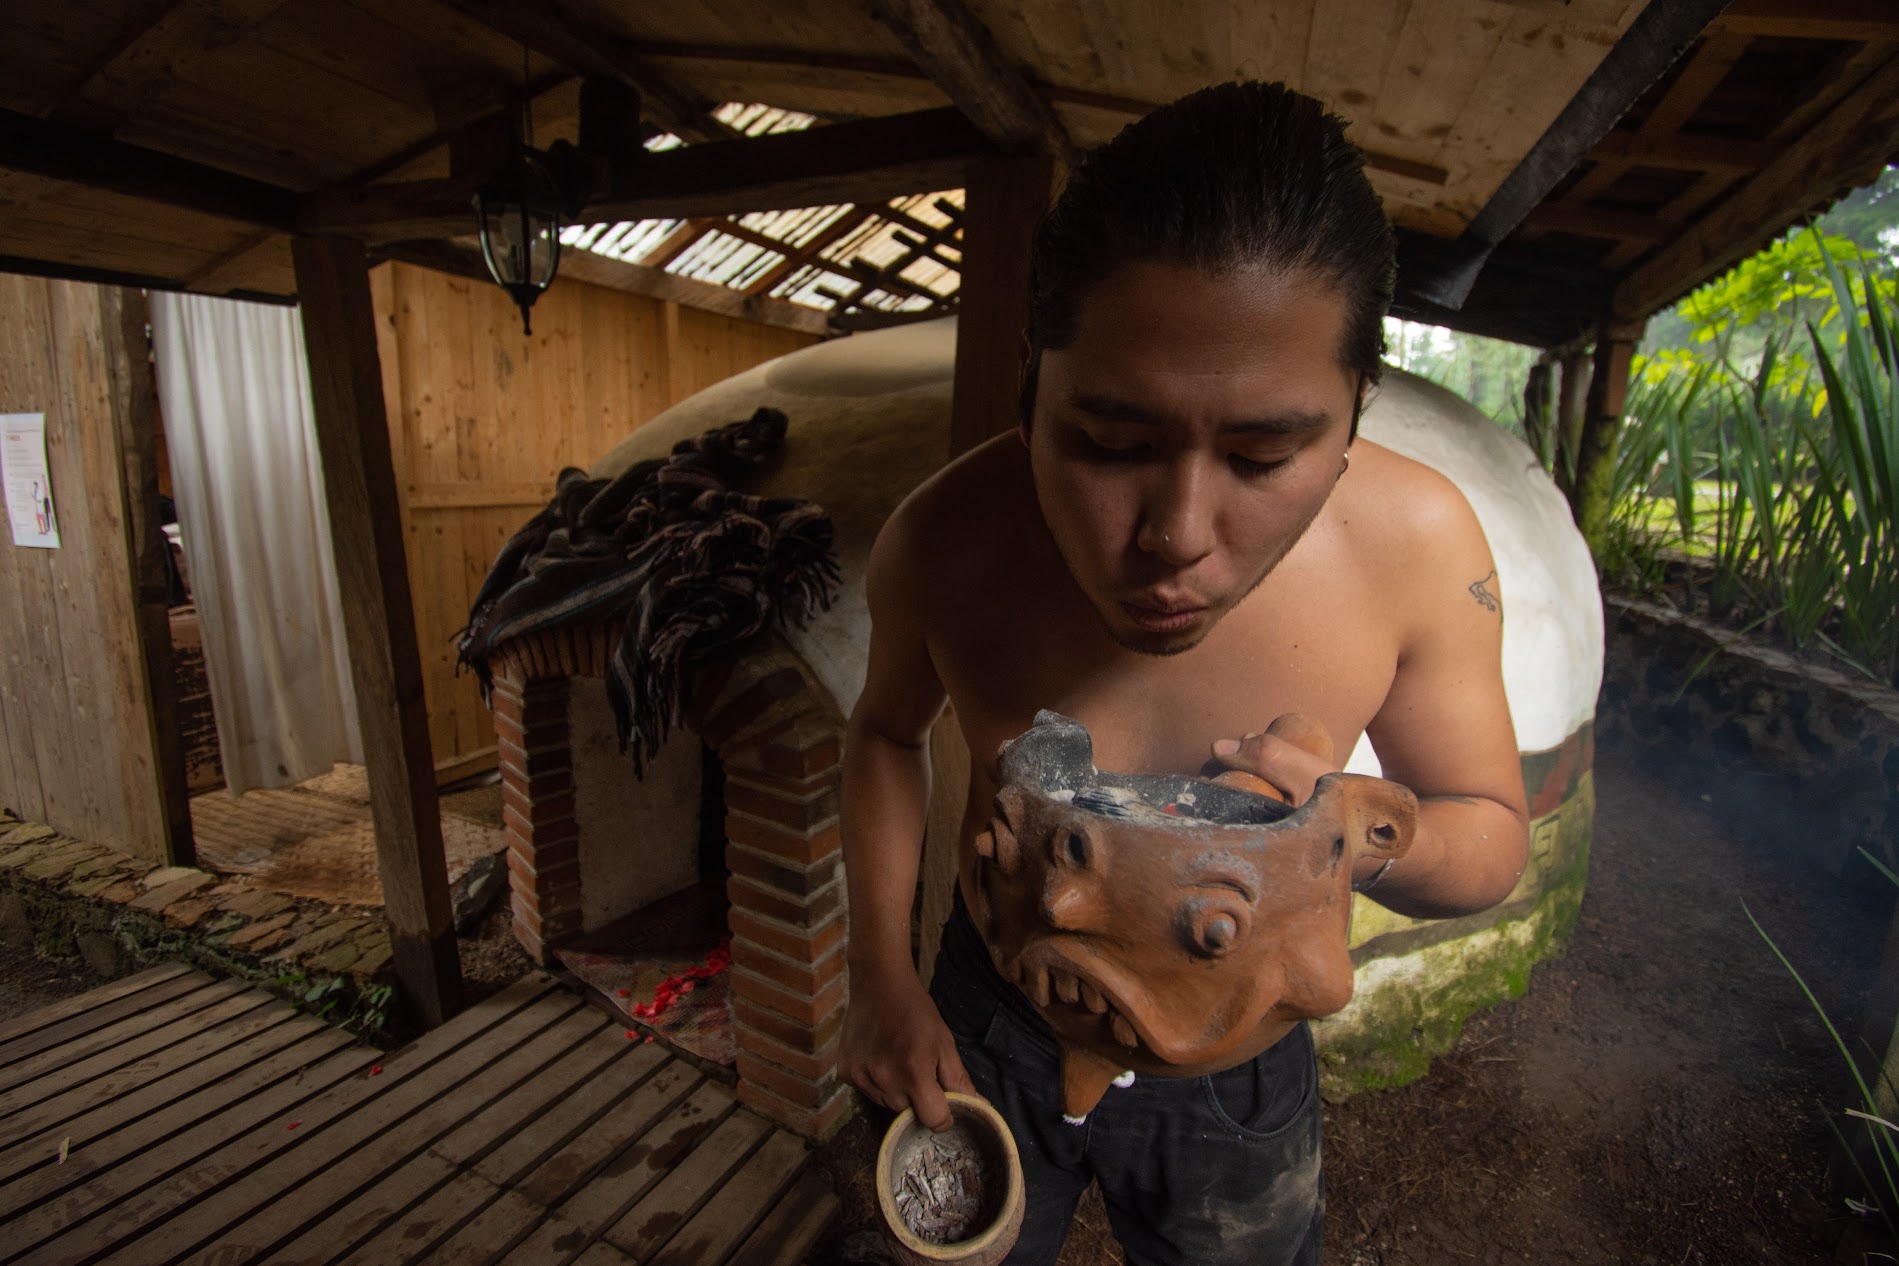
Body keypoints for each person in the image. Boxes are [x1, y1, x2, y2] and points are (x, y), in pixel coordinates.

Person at [839, 80, 1530, 1265]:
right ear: (1029, 378)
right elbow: (883, 736)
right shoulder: (946, 540)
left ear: (1354, 411)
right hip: (984, 1032)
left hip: (1239, 1084)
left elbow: (1493, 834)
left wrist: (1360, 835)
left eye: (1264, 455)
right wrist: (880, 979)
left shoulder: (1420, 551)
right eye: (1111, 443)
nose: (1176, 533)